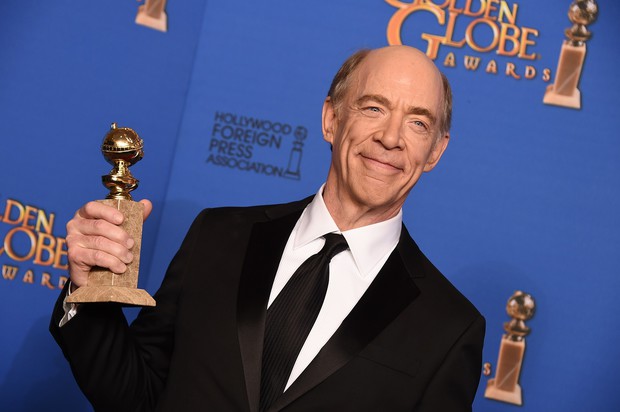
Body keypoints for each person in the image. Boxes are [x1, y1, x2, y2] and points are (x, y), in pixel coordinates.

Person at [51, 45, 485, 411]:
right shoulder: (217, 237)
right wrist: (87, 289)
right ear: (331, 120)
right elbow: (138, 395)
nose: (390, 137)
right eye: (373, 108)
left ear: (435, 151)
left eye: (418, 122)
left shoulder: (449, 328)